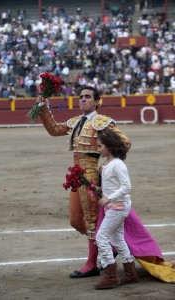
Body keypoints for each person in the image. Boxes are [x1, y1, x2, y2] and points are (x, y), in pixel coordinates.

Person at [37, 85, 131, 278]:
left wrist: (109, 162)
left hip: (90, 176)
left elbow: (125, 142)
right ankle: (107, 246)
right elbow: (54, 130)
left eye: (88, 97)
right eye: (81, 97)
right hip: (78, 174)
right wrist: (43, 108)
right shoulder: (76, 121)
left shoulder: (102, 122)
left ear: (97, 101)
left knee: (90, 220)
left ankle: (92, 263)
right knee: (76, 220)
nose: (83, 99)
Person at [94, 129, 139, 289]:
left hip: (117, 206)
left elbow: (127, 186)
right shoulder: (108, 164)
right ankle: (130, 273)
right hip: (115, 206)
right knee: (117, 239)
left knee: (101, 237)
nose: (98, 149)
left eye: (100, 146)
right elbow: (112, 185)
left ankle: (110, 275)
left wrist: (108, 198)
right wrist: (100, 191)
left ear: (110, 147)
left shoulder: (118, 164)